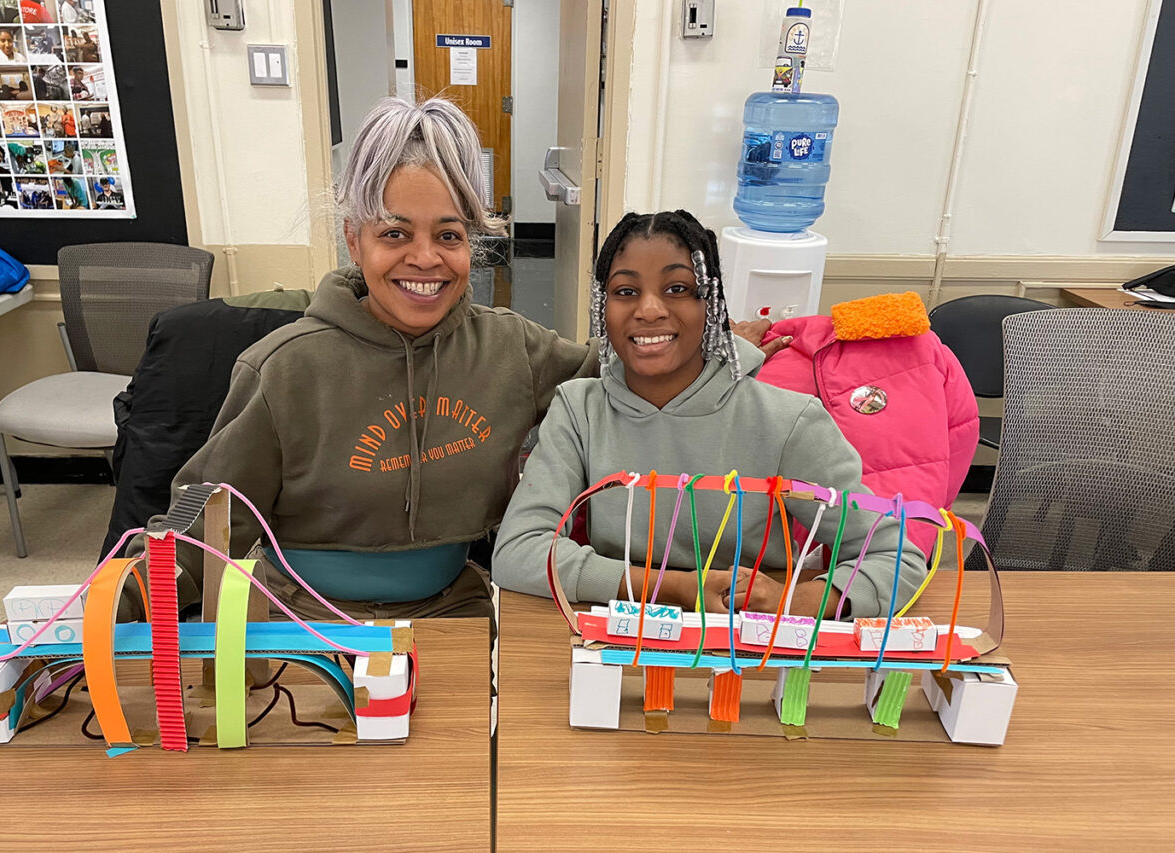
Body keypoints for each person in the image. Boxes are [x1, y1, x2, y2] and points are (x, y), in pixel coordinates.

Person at [128, 97, 600, 623]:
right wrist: (104, 610)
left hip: (452, 610)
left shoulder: (512, 349)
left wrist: (671, 319)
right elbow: (201, 526)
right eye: (394, 233)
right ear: (354, 239)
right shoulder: (282, 371)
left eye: (448, 234)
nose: (425, 258)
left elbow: (617, 384)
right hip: (303, 618)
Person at [492, 210, 927, 620]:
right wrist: (677, 589)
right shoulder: (579, 410)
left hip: (750, 652)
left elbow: (897, 556)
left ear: (713, 305)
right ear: (603, 310)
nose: (648, 309)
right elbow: (518, 551)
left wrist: (794, 599)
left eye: (677, 289)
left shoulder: (787, 421)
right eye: (626, 292)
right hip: (620, 641)